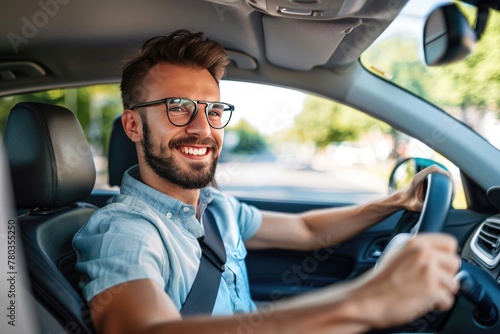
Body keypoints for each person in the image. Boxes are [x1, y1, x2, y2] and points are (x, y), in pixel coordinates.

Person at [73, 29, 460, 334]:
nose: (202, 128)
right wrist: (366, 302)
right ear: (133, 125)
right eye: (178, 109)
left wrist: (397, 201)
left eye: (213, 111)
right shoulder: (124, 232)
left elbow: (306, 229)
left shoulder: (216, 208)